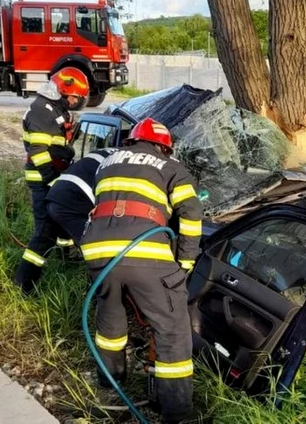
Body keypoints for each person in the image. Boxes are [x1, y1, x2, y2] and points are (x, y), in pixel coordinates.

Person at [80, 118, 203, 424]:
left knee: (110, 316)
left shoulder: (108, 162)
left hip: (97, 251)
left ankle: (110, 383)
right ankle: (178, 414)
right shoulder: (171, 166)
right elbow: (191, 213)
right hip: (143, 250)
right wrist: (185, 263)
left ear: (132, 141)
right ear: (165, 147)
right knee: (172, 329)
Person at [13, 67, 89, 295]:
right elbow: (38, 150)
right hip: (43, 179)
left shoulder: (55, 108)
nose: (76, 102)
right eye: (75, 97)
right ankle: (24, 283)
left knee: (61, 222)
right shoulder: (42, 111)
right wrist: (51, 179)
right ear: (64, 90)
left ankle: (66, 258)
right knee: (45, 231)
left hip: (55, 177)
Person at [45, 147, 118, 246]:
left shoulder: (109, 151)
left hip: (55, 193)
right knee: (95, 245)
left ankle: (66, 256)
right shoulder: (130, 161)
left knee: (44, 239)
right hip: (76, 199)